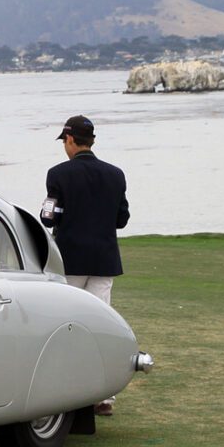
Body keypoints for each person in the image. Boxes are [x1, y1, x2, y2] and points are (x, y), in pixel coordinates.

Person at [40, 114, 130, 416]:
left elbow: (48, 217)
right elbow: (122, 219)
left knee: (68, 325)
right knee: (101, 325)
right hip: (104, 260)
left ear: (69, 139)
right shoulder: (116, 174)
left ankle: (70, 391)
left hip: (70, 261)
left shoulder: (58, 174)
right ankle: (104, 396)